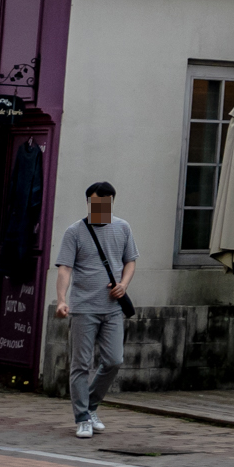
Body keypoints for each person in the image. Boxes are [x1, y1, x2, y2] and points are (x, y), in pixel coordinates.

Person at [51, 180, 139, 438]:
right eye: (95, 203)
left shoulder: (122, 227)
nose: (100, 208)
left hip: (112, 308)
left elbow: (130, 261)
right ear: (88, 203)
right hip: (83, 308)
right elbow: (65, 268)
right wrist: (61, 299)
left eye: (105, 204)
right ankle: (82, 418)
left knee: (114, 360)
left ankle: (90, 407)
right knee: (81, 364)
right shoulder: (75, 232)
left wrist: (123, 284)